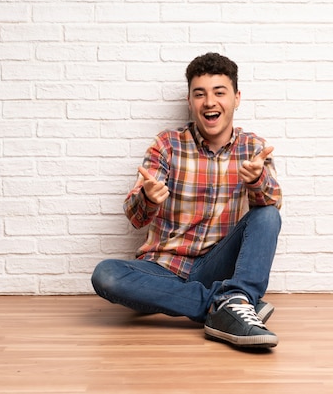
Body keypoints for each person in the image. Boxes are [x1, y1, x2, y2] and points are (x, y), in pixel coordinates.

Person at [91, 52, 282, 349]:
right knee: (106, 275)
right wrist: (149, 198)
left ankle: (231, 298)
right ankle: (230, 303)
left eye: (219, 92)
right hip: (162, 269)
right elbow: (135, 217)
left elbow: (272, 205)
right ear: (190, 101)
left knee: (268, 215)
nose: (209, 102)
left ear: (236, 98)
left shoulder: (253, 148)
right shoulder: (167, 145)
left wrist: (257, 181)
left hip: (215, 266)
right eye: (200, 94)